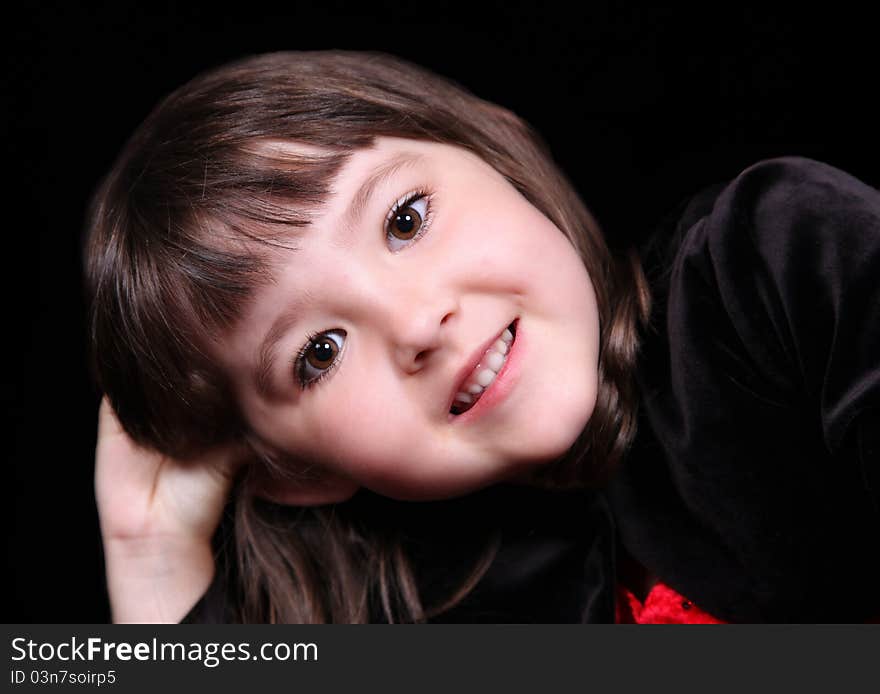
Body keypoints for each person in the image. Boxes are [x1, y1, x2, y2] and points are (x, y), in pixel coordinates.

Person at [84, 50, 880, 624]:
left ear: (500, 150)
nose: (413, 323)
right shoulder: (428, 612)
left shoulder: (769, 265)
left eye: (406, 219)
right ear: (295, 473)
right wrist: (150, 553)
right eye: (318, 353)